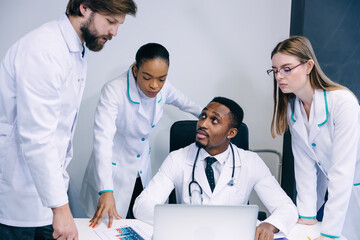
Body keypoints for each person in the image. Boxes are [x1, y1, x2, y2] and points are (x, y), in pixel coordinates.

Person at [0, 0, 137, 239]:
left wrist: (59, 202)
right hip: (17, 199)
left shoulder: (75, 48)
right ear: (84, 8)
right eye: (111, 21)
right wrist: (61, 209)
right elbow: (37, 137)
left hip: (46, 196)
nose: (115, 32)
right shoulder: (44, 50)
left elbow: (59, 133)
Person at [133, 97, 298, 240]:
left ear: (231, 133)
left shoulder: (250, 162)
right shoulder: (177, 159)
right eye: (203, 116)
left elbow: (286, 208)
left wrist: (270, 225)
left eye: (214, 120)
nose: (203, 124)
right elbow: (142, 205)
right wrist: (182, 222)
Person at [80, 42, 202, 228]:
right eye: (147, 77)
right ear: (136, 70)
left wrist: (214, 118)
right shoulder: (114, 91)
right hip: (112, 172)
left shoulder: (164, 87)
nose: (154, 85)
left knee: (140, 224)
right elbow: (102, 141)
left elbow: (188, 104)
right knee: (106, 229)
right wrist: (106, 189)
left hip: (140, 170)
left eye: (161, 79)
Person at [268, 36, 360, 240]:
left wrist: (329, 234)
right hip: (340, 194)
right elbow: (304, 167)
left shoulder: (343, 102)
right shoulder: (294, 111)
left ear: (308, 66)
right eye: (275, 70)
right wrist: (307, 216)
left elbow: (342, 171)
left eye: (286, 68)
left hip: (352, 188)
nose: (279, 76)